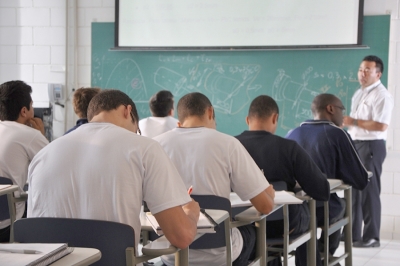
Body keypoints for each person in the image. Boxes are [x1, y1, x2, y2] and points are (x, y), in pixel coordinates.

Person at [27, 89, 200, 251]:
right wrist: (191, 211)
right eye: (136, 129)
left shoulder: (43, 155)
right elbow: (181, 237)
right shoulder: (144, 148)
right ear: (127, 111)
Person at [154, 92, 275, 266]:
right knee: (251, 232)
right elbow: (265, 206)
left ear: (179, 120)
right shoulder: (228, 143)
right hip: (221, 254)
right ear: (210, 112)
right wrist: (269, 193)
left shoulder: (155, 146)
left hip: (171, 254)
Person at [235, 95, 330, 266]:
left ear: (247, 120)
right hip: (283, 225)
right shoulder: (288, 147)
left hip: (243, 226)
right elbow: (321, 190)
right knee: (307, 213)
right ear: (275, 118)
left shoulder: (231, 146)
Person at [286, 93, 369, 260]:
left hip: (293, 211)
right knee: (342, 204)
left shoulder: (291, 134)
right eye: (341, 109)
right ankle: (324, 253)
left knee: (315, 211)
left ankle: (315, 254)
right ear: (330, 108)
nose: (343, 115)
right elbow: (361, 180)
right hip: (322, 209)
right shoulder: (338, 134)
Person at [343, 55, 394, 248]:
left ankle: (372, 237)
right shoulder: (359, 93)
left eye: (367, 70)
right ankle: (353, 234)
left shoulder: (382, 95)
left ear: (378, 73)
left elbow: (381, 125)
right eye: (360, 69)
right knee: (354, 191)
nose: (362, 73)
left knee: (369, 192)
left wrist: (353, 122)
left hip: (371, 146)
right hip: (355, 144)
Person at [0, 80, 48, 242]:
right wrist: (40, 135)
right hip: (7, 224)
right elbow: (55, 166)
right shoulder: (29, 134)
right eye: (32, 106)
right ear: (24, 111)